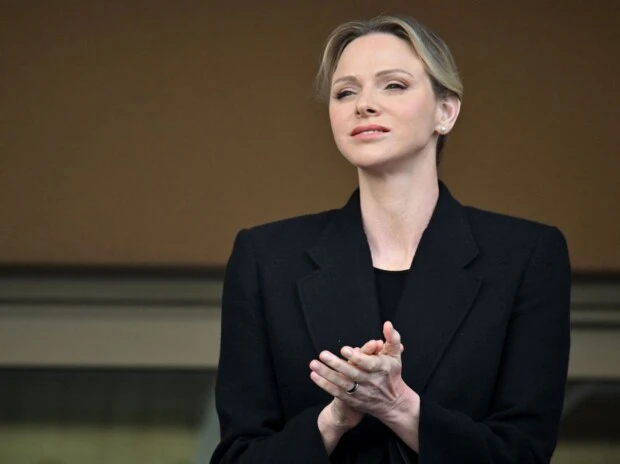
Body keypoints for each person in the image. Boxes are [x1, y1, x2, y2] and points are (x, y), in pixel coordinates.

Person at [209, 14, 570, 464]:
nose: (364, 104)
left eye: (394, 85)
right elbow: (238, 456)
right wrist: (332, 420)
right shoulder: (266, 259)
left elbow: (524, 454)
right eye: (345, 92)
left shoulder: (525, 256)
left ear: (446, 111)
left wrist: (400, 407)